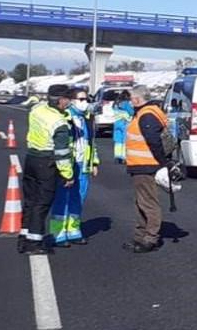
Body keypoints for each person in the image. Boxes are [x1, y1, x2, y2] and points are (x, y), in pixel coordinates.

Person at [20, 84, 76, 255]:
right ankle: (34, 242)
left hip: (31, 158)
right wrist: (68, 175)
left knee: (30, 200)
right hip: (47, 162)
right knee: (42, 203)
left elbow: (33, 103)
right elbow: (62, 153)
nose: (70, 103)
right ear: (61, 100)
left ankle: (24, 237)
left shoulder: (38, 110)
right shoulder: (59, 123)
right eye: (68, 99)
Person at [124, 83, 175, 253]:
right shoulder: (146, 113)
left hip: (145, 165)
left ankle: (150, 238)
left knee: (148, 203)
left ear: (137, 98)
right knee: (141, 202)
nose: (130, 101)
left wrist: (162, 163)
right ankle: (140, 236)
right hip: (141, 165)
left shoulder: (146, 116)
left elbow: (153, 140)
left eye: (131, 98)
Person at [47, 88, 99, 246]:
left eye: (86, 99)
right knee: (63, 199)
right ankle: (58, 233)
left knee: (78, 198)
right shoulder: (66, 116)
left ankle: (74, 231)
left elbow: (90, 142)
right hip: (68, 164)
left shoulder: (87, 118)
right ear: (72, 100)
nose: (85, 103)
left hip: (83, 165)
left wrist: (94, 162)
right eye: (81, 99)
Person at [108, 90, 134, 164]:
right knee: (125, 141)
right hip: (125, 122)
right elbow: (131, 112)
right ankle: (123, 157)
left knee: (118, 141)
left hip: (117, 123)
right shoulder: (125, 103)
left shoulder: (116, 103)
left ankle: (117, 155)